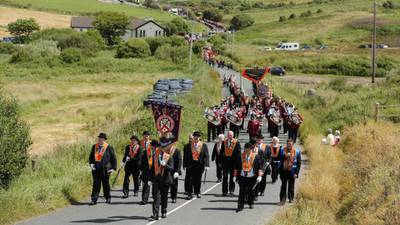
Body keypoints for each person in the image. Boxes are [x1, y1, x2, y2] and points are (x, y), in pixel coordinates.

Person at [234, 143, 264, 212]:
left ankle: (251, 203)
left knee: (251, 190)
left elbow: (260, 167)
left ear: (251, 149)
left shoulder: (256, 156)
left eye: (248, 149)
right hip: (242, 176)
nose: (247, 150)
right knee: (242, 191)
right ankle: (240, 205)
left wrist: (260, 176)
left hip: (252, 176)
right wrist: (235, 176)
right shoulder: (240, 156)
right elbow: (236, 166)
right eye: (246, 148)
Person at [89, 132, 117, 205]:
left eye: (102, 139)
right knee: (96, 184)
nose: (100, 140)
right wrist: (91, 164)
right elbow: (91, 157)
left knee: (106, 184)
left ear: (104, 140)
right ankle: (94, 199)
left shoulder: (108, 147)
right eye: (99, 138)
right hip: (96, 169)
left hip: (105, 169)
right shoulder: (94, 146)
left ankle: (108, 197)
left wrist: (113, 168)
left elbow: (113, 158)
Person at [150, 138, 174, 220]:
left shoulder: (168, 156)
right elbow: (152, 168)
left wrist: (165, 165)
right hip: (157, 178)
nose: (160, 148)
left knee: (164, 196)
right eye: (160, 147)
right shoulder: (155, 156)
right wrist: (150, 179)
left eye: (162, 147)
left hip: (165, 179)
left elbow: (171, 168)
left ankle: (164, 211)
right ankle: (155, 214)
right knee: (156, 197)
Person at [183, 131, 210, 199]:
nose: (196, 138)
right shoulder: (188, 145)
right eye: (195, 137)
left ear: (199, 138)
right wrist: (184, 165)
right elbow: (185, 156)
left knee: (198, 179)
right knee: (190, 180)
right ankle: (190, 193)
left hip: (199, 165)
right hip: (191, 165)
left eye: (197, 137)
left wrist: (207, 165)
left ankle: (197, 192)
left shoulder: (203, 145)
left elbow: (206, 156)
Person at [279, 138, 302, 205]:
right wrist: (285, 156)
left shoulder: (297, 151)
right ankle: (282, 199)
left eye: (290, 144)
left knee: (291, 185)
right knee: (283, 185)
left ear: (293, 144)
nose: (289, 145)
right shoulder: (282, 150)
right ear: (286, 144)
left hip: (292, 171)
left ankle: (291, 198)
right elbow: (279, 158)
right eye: (288, 144)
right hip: (284, 170)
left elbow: (299, 163)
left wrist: (296, 173)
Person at [221, 131, 241, 196]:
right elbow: (221, 152)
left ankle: (231, 190)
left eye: (231, 135)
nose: (230, 136)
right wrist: (221, 162)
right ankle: (224, 191)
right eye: (228, 135)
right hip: (226, 163)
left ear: (233, 135)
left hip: (234, 163)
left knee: (232, 177)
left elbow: (239, 153)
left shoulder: (236, 142)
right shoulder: (224, 142)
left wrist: (238, 163)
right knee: (225, 177)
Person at [140, 140, 159, 205]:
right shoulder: (146, 152)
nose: (155, 148)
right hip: (147, 171)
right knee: (146, 186)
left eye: (156, 147)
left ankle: (155, 198)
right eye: (154, 146)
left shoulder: (159, 153)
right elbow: (141, 162)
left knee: (155, 186)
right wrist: (142, 170)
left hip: (155, 172)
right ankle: (144, 199)